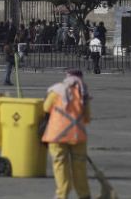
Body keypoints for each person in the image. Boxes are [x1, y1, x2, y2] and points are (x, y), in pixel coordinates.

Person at [42, 69, 92, 199]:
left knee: (60, 166)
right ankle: (84, 194)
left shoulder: (56, 90)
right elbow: (87, 117)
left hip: (56, 135)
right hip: (77, 136)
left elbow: (46, 108)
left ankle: (62, 194)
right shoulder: (83, 92)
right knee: (79, 167)